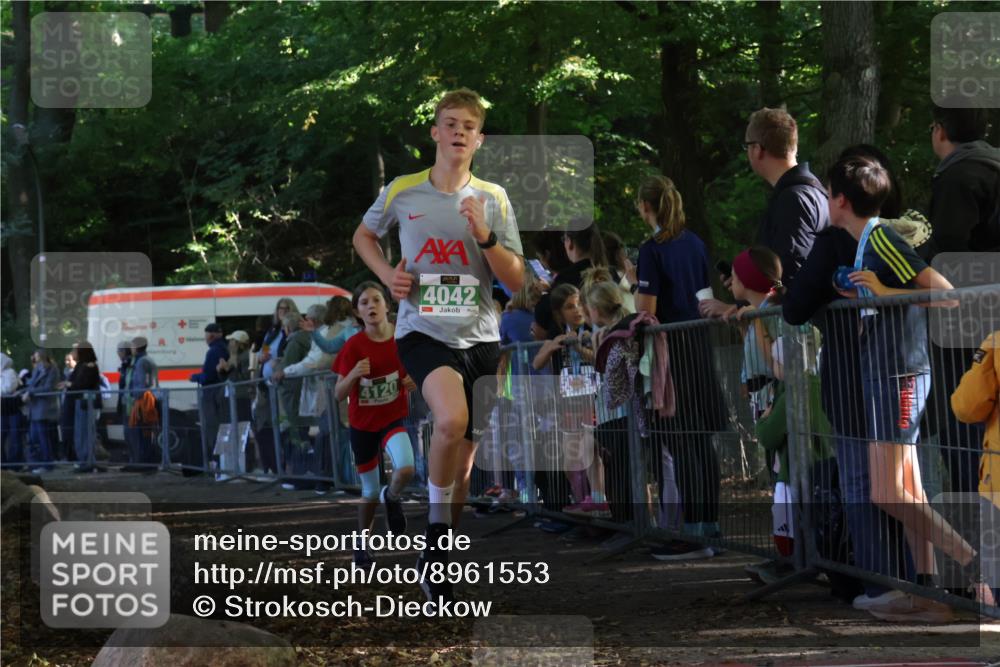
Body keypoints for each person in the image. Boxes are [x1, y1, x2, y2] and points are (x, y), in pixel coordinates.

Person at [352, 88, 523, 602]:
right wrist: (387, 276)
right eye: (449, 123)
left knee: (465, 464)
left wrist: (487, 237)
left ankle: (440, 553)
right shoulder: (404, 189)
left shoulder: (492, 197)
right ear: (435, 132)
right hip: (422, 332)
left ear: (479, 138)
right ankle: (434, 540)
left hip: (481, 337)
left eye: (468, 126)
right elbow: (363, 236)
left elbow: (516, 282)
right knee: (448, 421)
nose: (458, 133)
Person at [828, 154, 972, 622]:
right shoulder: (866, 244)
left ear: (841, 200)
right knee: (906, 488)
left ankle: (976, 566)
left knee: (887, 492)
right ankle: (929, 594)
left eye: (829, 194)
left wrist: (885, 294)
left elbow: (945, 293)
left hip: (900, 375)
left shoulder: (883, 238)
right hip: (886, 374)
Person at [633, 174, 726, 560]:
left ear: (646, 207)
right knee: (702, 440)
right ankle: (709, 526)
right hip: (701, 346)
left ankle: (692, 534)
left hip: (672, 353)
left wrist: (634, 290)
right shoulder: (695, 243)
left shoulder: (652, 250)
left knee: (681, 437)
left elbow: (647, 311)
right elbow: (704, 297)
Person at [924, 105, 1000, 495]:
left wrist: (910, 257)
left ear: (940, 131)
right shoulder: (992, 166)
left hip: (966, 325)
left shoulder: (959, 174)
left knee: (964, 416)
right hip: (989, 317)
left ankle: (975, 533)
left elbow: (950, 249)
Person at [700, 107, 828, 319]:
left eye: (747, 146)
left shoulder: (793, 199)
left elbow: (789, 272)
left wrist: (748, 303)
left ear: (757, 149)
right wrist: (748, 279)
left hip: (799, 332)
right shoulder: (815, 192)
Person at [333, 282, 417, 565]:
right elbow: (338, 393)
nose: (371, 306)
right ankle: (362, 544)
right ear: (358, 313)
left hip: (392, 419)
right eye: (364, 303)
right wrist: (354, 373)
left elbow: (419, 376)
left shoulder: (403, 339)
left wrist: (414, 381)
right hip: (363, 425)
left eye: (376, 300)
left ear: (387, 305)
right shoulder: (353, 346)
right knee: (368, 492)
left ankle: (392, 496)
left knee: (406, 468)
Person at [532, 283, 607, 517]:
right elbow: (537, 363)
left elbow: (600, 360)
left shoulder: (592, 332)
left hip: (591, 399)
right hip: (567, 402)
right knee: (570, 459)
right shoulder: (557, 335)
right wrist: (554, 345)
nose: (576, 311)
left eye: (578, 305)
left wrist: (581, 347)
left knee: (590, 451)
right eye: (569, 307)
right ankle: (582, 500)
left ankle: (598, 499)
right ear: (559, 313)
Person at [587, 280, 635, 523]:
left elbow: (609, 374)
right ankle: (626, 522)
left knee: (619, 472)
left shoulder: (614, 335)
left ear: (596, 309)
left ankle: (627, 522)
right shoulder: (613, 332)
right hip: (614, 412)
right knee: (618, 470)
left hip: (617, 412)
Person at [190, 323, 230, 468]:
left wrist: (195, 377)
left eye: (206, 335)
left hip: (211, 394)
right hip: (219, 393)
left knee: (212, 428)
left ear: (211, 335)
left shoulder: (214, 351)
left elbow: (209, 376)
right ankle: (221, 462)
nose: (205, 338)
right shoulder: (224, 348)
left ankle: (217, 462)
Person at [64, 342, 102, 472]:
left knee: (86, 432)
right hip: (80, 402)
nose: (73, 353)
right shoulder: (80, 366)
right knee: (79, 433)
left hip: (88, 404)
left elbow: (82, 383)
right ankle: (82, 460)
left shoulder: (90, 366)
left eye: (76, 350)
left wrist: (69, 384)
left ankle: (88, 461)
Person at [124, 336, 158, 470]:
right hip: (145, 399)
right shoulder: (145, 360)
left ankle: (143, 463)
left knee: (141, 433)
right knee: (144, 434)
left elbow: (142, 382)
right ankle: (145, 462)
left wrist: (134, 395)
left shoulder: (141, 361)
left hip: (142, 401)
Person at [24, 350, 59, 473]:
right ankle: (36, 463)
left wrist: (31, 392)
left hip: (45, 408)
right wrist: (26, 391)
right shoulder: (37, 369)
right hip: (35, 408)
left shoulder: (52, 369)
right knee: (34, 438)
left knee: (43, 437)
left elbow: (48, 388)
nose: (35, 359)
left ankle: (47, 464)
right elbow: (32, 384)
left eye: (37, 357)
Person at [1, 353, 24, 466]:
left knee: (15, 438)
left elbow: (8, 388)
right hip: (2, 410)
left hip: (12, 410)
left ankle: (15, 464)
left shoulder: (10, 373)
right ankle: (3, 463)